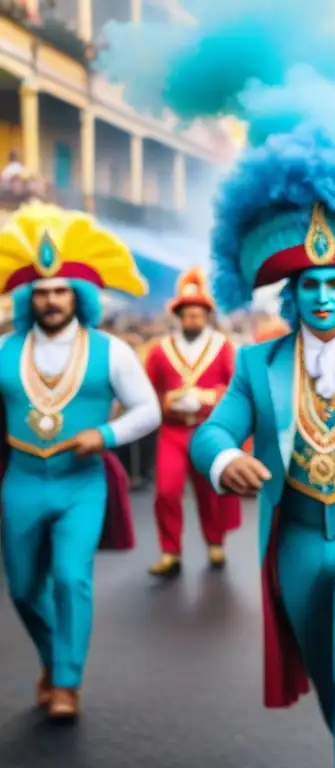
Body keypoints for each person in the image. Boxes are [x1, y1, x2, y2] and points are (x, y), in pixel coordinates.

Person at [93, 4, 335, 763]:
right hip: (298, 538)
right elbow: (212, 427)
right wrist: (218, 458)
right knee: (331, 681)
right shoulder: (256, 363)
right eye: (309, 285)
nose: (323, 296)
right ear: (291, 295)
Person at [0, 203, 160, 718]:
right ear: (28, 296)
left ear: (80, 295)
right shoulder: (3, 347)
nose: (50, 300)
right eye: (41, 292)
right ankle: (52, 657)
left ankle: (67, 680)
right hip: (21, 481)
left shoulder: (112, 350)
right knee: (23, 589)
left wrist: (107, 432)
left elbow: (149, 410)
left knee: (72, 577)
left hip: (80, 483)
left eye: (61, 290)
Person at [145, 267, 241, 577]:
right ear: (179, 315)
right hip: (172, 430)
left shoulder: (223, 347)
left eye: (198, 315)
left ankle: (216, 542)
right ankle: (170, 550)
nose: (193, 320)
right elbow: (146, 392)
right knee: (166, 491)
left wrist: (210, 396)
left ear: (207, 316)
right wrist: (165, 401)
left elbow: (236, 388)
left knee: (211, 490)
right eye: (187, 315)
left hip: (208, 429)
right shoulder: (160, 351)